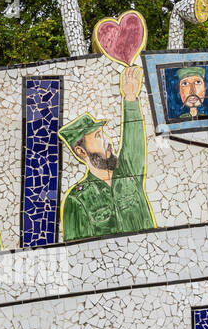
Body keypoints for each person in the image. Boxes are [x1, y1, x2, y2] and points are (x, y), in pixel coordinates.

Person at [59, 64, 155, 242]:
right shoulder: (77, 199)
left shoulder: (129, 172)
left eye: (102, 134)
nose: (107, 140)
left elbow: (133, 140)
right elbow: (79, 255)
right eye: (97, 136)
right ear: (81, 151)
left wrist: (130, 98)